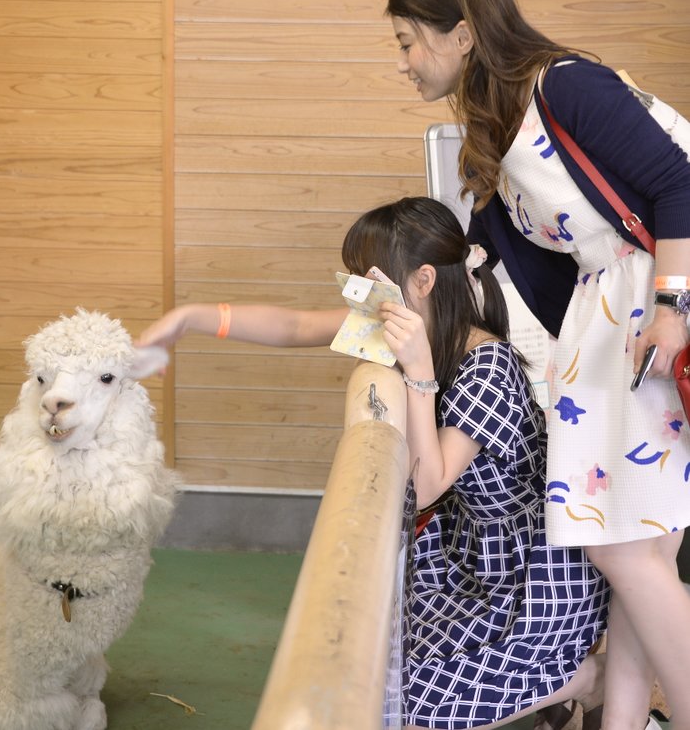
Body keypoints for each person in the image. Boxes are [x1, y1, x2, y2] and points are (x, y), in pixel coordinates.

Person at [138, 196, 610, 728]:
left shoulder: (487, 366)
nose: (356, 293)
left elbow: (427, 484)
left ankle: (583, 680)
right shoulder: (405, 322)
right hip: (468, 552)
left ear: (423, 281)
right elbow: (295, 327)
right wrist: (189, 318)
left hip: (529, 578)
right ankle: (555, 694)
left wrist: (418, 373)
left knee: (408, 705)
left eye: (368, 278)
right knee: (386, 671)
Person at [385, 0, 690, 730]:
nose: (406, 63)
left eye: (409, 41)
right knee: (638, 551)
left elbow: (679, 183)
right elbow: (504, 276)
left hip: (657, 305)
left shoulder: (568, 86)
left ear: (461, 33)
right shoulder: (495, 140)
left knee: (624, 552)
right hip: (610, 322)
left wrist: (673, 306)